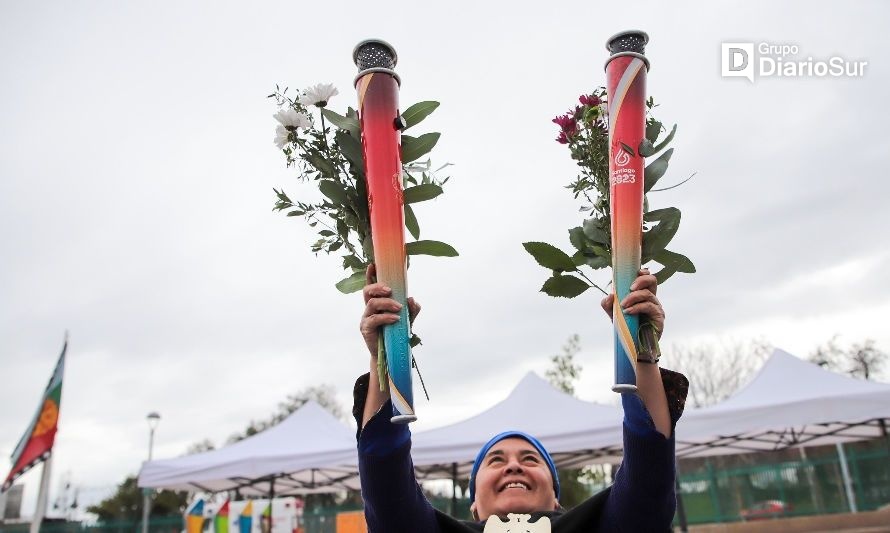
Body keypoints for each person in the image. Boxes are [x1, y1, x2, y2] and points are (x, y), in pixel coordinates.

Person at [353, 266, 688, 532]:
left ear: (557, 499)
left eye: (530, 459)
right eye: (496, 460)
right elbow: (386, 485)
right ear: (474, 506)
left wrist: (640, 348)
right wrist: (386, 351)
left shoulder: (601, 526)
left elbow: (649, 477)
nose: (513, 465)